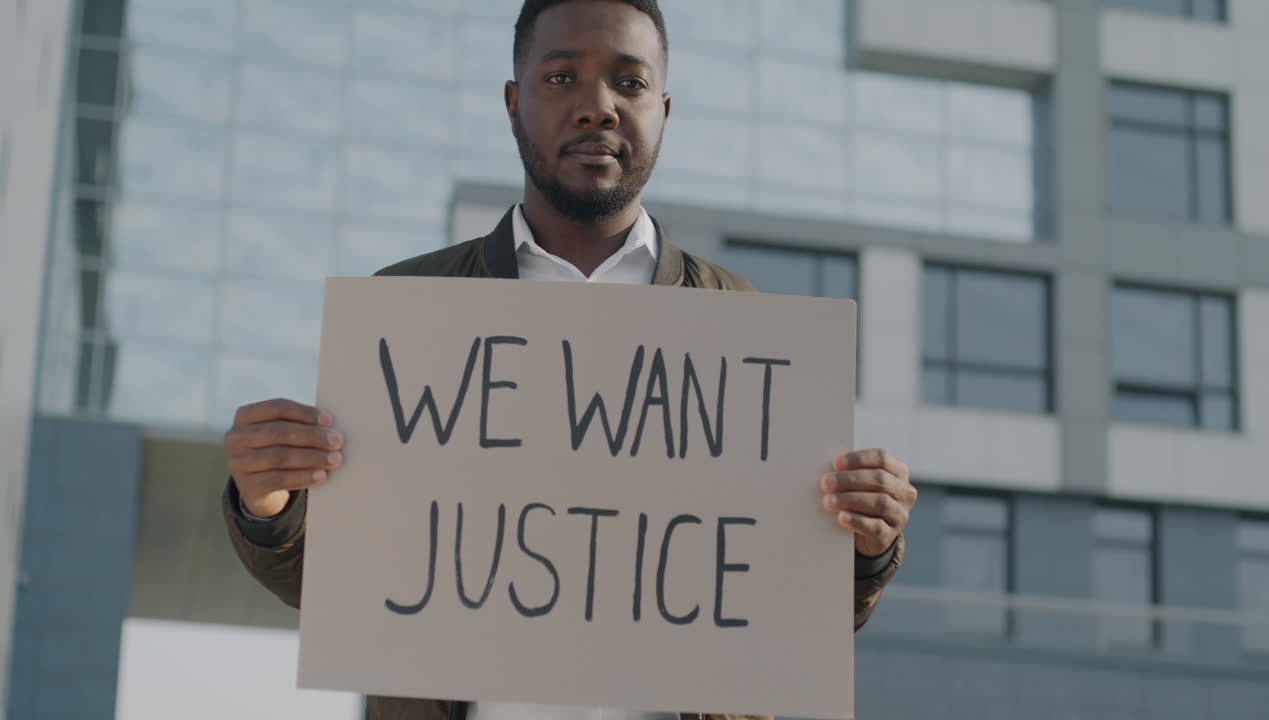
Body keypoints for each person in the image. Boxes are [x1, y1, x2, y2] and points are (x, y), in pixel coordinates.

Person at [221, 1, 918, 719]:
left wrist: (866, 546)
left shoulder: (746, 327)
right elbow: (351, 587)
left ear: (665, 109)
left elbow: (782, 605)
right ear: (514, 103)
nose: (597, 108)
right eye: (561, 78)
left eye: (629, 82)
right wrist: (267, 502)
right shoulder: (408, 310)